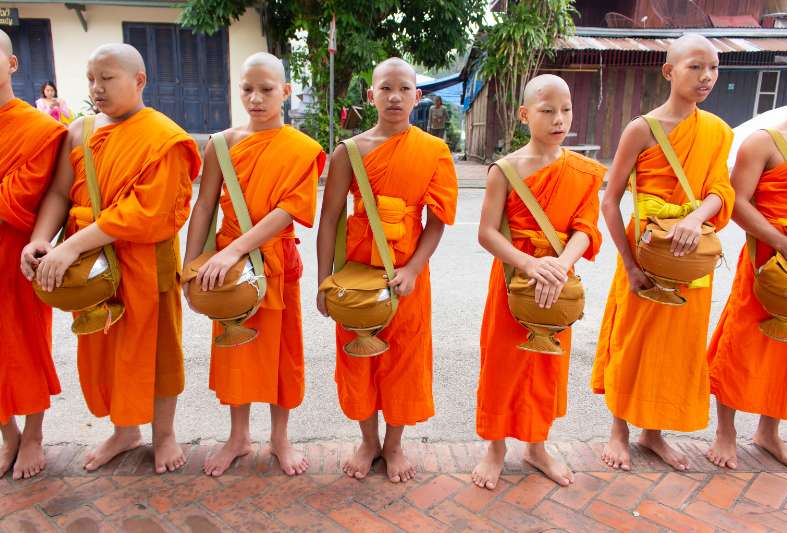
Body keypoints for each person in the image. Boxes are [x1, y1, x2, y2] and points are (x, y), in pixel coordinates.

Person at [21, 43, 201, 474]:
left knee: (157, 352)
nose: (96, 88)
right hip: (91, 267)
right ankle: (125, 431)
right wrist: (42, 239)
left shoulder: (164, 137)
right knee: (104, 347)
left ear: (138, 81)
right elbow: (62, 193)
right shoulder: (80, 131)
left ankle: (164, 433)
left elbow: (148, 213)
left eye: (107, 78)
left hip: (144, 260)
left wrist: (69, 247)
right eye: (90, 79)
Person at [591, 34, 734, 471]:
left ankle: (653, 433)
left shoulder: (716, 131)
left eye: (712, 67)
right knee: (632, 339)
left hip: (692, 254)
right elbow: (610, 200)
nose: (706, 76)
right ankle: (618, 429)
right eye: (695, 66)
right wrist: (629, 263)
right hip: (647, 252)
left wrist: (696, 218)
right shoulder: (642, 129)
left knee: (676, 345)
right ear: (669, 71)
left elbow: (720, 191)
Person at [183, 52, 325, 477]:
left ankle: (280, 438)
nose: (256, 98)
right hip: (225, 272)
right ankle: (238, 436)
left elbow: (288, 210)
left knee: (283, 355)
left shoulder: (302, 149)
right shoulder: (221, 143)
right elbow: (204, 205)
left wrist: (233, 251)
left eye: (266, 89)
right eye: (248, 89)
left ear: (285, 91)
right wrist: (190, 270)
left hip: (275, 260)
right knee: (235, 351)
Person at [316, 57, 457, 483]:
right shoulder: (349, 152)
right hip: (356, 275)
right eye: (385, 88)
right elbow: (329, 220)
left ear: (417, 97)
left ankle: (394, 445)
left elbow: (438, 219)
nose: (394, 96)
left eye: (403, 89)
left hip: (406, 276)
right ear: (370, 95)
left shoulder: (433, 151)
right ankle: (367, 441)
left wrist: (415, 267)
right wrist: (324, 281)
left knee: (405, 362)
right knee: (357, 359)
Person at [471, 75, 604, 489]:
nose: (558, 118)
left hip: (558, 279)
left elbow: (585, 227)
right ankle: (495, 448)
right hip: (515, 277)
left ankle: (537, 444)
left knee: (547, 366)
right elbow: (487, 232)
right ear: (526, 114)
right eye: (547, 111)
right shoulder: (506, 171)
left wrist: (561, 264)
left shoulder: (583, 172)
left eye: (565, 110)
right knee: (502, 363)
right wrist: (530, 265)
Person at [706, 81, 787, 470]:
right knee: (741, 340)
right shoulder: (764, 142)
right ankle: (725, 430)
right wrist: (783, 243)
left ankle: (768, 431)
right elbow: (737, 204)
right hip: (766, 259)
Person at [0, 29, 66, 480]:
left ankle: (36, 434)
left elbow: (22, 200)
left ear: (12, 64)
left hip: (15, 256)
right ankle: (9, 437)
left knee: (27, 347)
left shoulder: (40, 130)